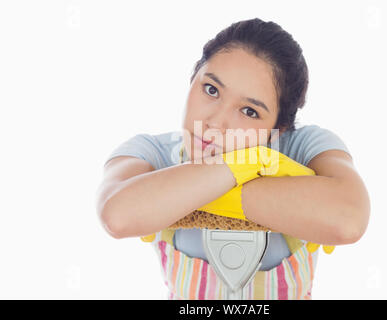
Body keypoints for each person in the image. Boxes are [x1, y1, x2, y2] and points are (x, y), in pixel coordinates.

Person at [97, 18, 370, 299]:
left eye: (249, 111)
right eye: (211, 90)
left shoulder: (303, 147)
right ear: (192, 79)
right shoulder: (151, 152)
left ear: (278, 130)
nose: (215, 122)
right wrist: (245, 165)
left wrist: (171, 194)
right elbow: (117, 216)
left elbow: (348, 220)